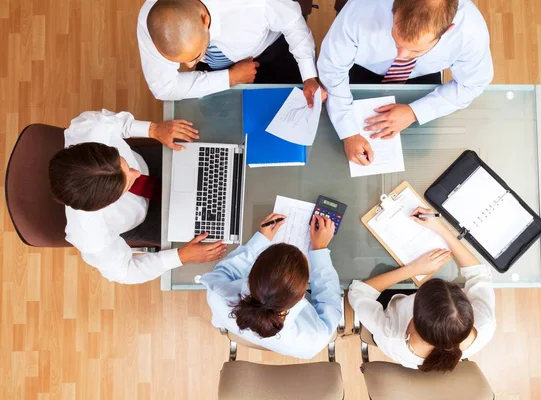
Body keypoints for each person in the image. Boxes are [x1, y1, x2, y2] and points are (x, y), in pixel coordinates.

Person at [48, 109, 227, 284]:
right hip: (147, 219)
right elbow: (126, 272)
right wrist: (180, 257)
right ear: (105, 205)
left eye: (124, 163)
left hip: (148, 162)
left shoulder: (89, 128)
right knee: (221, 228)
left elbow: (116, 123)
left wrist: (152, 130)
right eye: (127, 185)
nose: (136, 174)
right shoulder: (90, 234)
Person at [317, 0, 493, 166]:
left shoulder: (470, 32)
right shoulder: (361, 9)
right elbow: (332, 69)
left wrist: (414, 112)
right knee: (331, 144)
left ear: (447, 30)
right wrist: (348, 132)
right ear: (395, 8)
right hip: (363, 67)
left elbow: (471, 84)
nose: (400, 55)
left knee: (419, 152)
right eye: (396, 40)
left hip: (421, 75)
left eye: (415, 49)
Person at [348, 206, 496, 372]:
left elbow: (358, 292)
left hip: (391, 303)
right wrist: (440, 228)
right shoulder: (484, 326)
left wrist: (413, 269)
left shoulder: (392, 336)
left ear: (415, 315)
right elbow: (479, 275)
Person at [201, 213, 342, 359]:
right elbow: (330, 303)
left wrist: (261, 239)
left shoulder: (218, 294)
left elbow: (225, 271)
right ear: (303, 295)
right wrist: (319, 249)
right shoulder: (314, 338)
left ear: (251, 275)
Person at [137, 0, 326, 106]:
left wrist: (309, 76)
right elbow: (164, 87)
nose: (190, 67)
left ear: (205, 20)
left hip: (272, 50)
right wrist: (229, 78)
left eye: (194, 57)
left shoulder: (255, 5)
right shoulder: (155, 18)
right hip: (220, 69)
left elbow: (293, 23)